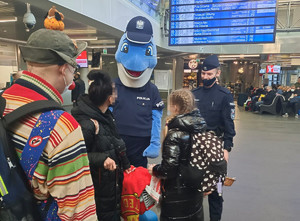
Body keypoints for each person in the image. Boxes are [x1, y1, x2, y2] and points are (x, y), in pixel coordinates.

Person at [1, 29, 97, 220]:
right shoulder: (61, 128)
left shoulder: (4, 101)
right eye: (74, 68)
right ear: (63, 68)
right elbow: (78, 212)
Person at [71, 70, 131, 221]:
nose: (117, 95)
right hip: (98, 190)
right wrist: (101, 159)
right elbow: (75, 156)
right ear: (109, 98)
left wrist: (127, 166)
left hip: (110, 185)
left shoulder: (105, 116)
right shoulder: (87, 124)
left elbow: (115, 142)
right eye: (114, 92)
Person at [148, 89, 206, 221]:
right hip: (195, 188)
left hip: (176, 193)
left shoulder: (174, 134)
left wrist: (155, 169)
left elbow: (169, 169)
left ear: (175, 107)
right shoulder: (200, 128)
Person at [192, 55, 235, 221]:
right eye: (203, 75)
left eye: (209, 74)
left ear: (217, 73)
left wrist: (227, 148)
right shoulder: (193, 94)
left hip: (216, 148)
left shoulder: (225, 95)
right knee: (193, 188)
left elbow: (229, 125)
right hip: (195, 147)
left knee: (216, 191)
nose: (205, 78)